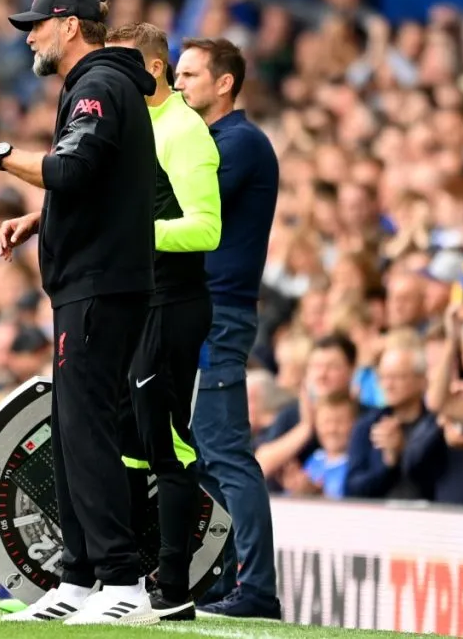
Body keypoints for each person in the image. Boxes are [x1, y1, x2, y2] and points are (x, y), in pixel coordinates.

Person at [0, 0, 159, 626]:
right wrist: (43, 220)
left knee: (87, 424)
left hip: (101, 283)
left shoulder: (100, 85)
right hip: (92, 279)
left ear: (69, 24)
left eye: (37, 25)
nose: (29, 36)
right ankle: (78, 579)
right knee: (75, 424)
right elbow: (108, 185)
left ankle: (122, 581)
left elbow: (73, 169)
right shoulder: (97, 85)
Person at [105, 22, 221, 621]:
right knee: (130, 443)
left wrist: (130, 235)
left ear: (151, 70)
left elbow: (206, 227)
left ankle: (174, 588)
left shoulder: (184, 130)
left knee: (168, 444)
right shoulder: (134, 127)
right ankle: (130, 580)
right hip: (135, 301)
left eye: (119, 67)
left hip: (173, 305)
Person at [172, 38, 282, 619]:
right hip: (201, 311)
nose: (178, 83)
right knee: (204, 453)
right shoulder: (209, 142)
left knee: (225, 450)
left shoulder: (239, 144)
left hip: (220, 314)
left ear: (224, 84)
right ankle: (227, 579)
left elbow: (173, 202)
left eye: (190, 75)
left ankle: (258, 588)